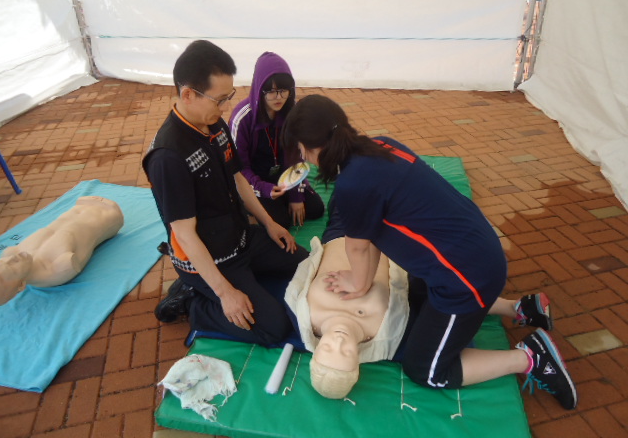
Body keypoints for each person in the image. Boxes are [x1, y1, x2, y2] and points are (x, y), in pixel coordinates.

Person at [281, 94, 577, 409]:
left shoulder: (353, 183)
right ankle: (519, 308)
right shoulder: (381, 145)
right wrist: (361, 279)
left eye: (301, 149)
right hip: (479, 251)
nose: (303, 157)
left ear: (311, 147)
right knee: (415, 291)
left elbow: (359, 246)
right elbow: (371, 236)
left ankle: (530, 357)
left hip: (467, 279)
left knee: (426, 369)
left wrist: (359, 283)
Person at [286, 204, 555, 400]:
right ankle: (516, 310)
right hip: (386, 241)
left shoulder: (305, 317)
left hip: (340, 232)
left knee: (347, 191)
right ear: (358, 360)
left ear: (315, 350)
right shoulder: (386, 335)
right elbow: (440, 312)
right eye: (345, 353)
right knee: (429, 291)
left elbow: (301, 274)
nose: (338, 342)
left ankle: (519, 320)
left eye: (327, 348)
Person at [142, 40, 309, 346]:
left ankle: (243, 278)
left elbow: (238, 178)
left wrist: (269, 224)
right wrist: (224, 292)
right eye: (219, 100)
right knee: (273, 327)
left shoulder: (214, 124)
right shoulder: (168, 157)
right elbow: (184, 235)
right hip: (213, 259)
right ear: (188, 94)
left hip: (240, 238)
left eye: (228, 97)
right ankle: (194, 302)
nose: (225, 108)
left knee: (304, 262)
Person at [229, 52, 324, 228]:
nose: (279, 97)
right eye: (271, 91)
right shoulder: (243, 118)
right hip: (253, 181)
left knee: (316, 209)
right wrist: (263, 188)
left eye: (283, 90)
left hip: (282, 177)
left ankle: (276, 204)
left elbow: (296, 157)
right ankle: (245, 211)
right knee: (281, 221)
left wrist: (296, 196)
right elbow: (238, 168)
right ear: (260, 89)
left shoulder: (291, 113)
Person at [0, 196, 124, 306]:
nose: (13, 258)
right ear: (21, 286)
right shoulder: (56, 270)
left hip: (82, 205)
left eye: (3, 261)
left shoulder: (14, 252)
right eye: (13, 268)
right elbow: (89, 238)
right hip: (110, 213)